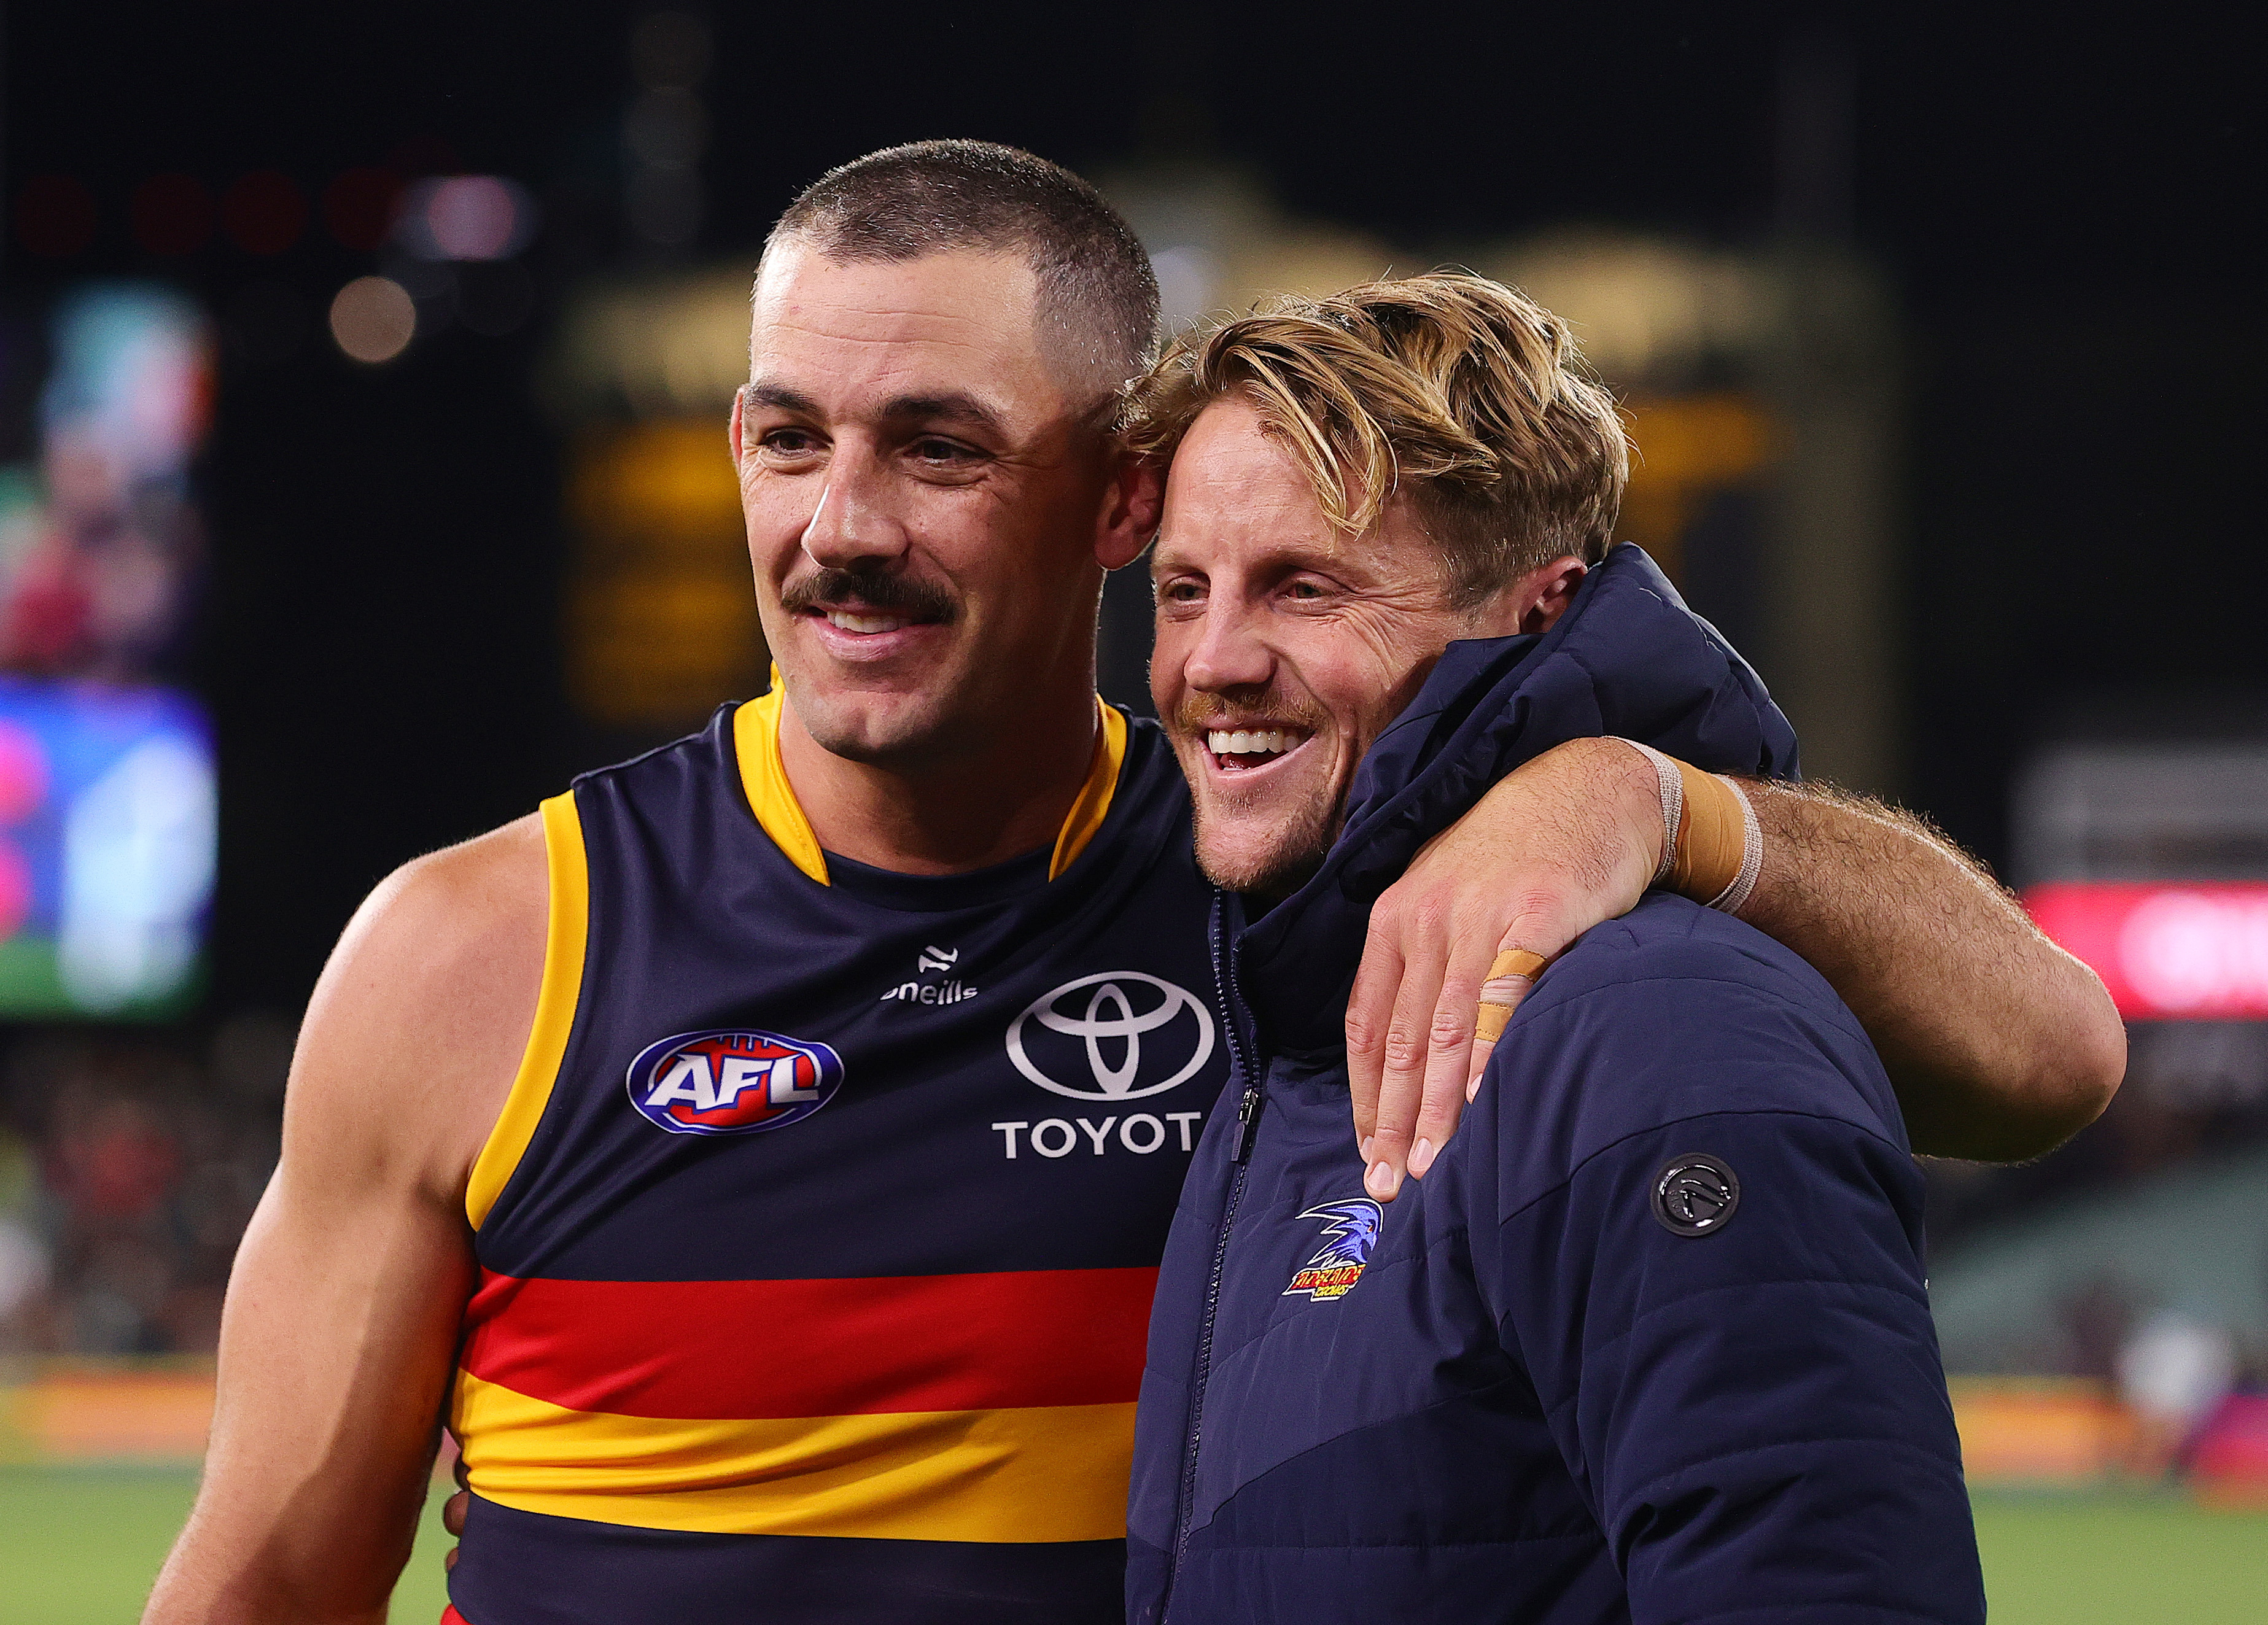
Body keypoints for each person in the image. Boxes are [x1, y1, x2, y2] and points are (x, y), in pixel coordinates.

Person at [144, 144, 2114, 1625]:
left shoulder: (1303, 892)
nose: (839, 529)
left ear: (1111, 504)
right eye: (785, 441)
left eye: (936, 450)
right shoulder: (478, 958)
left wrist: (1647, 798)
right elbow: (258, 1595)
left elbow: (2040, 1053)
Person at [1125, 273, 1987, 1622]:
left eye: (1304, 586)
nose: (1212, 660)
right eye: (1182, 590)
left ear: (1537, 606)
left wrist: (1643, 796)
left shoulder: (1656, 1026)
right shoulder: (1283, 1005)